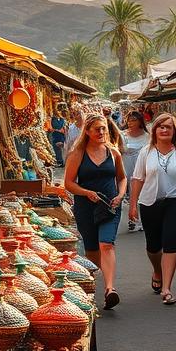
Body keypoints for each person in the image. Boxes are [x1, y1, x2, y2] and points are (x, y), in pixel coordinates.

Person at [129, 112, 176, 305]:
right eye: (161, 126)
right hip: (150, 202)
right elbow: (137, 178)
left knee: (170, 242)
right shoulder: (146, 151)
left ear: (174, 130)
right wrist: (133, 205)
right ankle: (157, 270)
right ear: (155, 130)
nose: (165, 130)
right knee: (153, 245)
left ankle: (167, 288)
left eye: (168, 127)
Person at [63, 114, 125, 309]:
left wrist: (121, 195)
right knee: (91, 248)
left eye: (104, 128)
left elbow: (122, 178)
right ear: (87, 131)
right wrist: (86, 192)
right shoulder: (78, 154)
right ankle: (93, 287)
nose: (101, 132)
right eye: (97, 129)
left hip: (109, 205)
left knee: (106, 243)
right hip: (86, 206)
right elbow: (68, 183)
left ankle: (110, 289)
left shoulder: (113, 153)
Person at [121, 111, 150, 232]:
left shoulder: (147, 136)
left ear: (140, 121)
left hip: (144, 167)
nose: (130, 123)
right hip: (127, 166)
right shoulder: (123, 135)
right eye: (129, 120)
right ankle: (132, 219)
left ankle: (142, 221)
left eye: (133, 120)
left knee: (142, 193)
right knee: (130, 194)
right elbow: (119, 150)